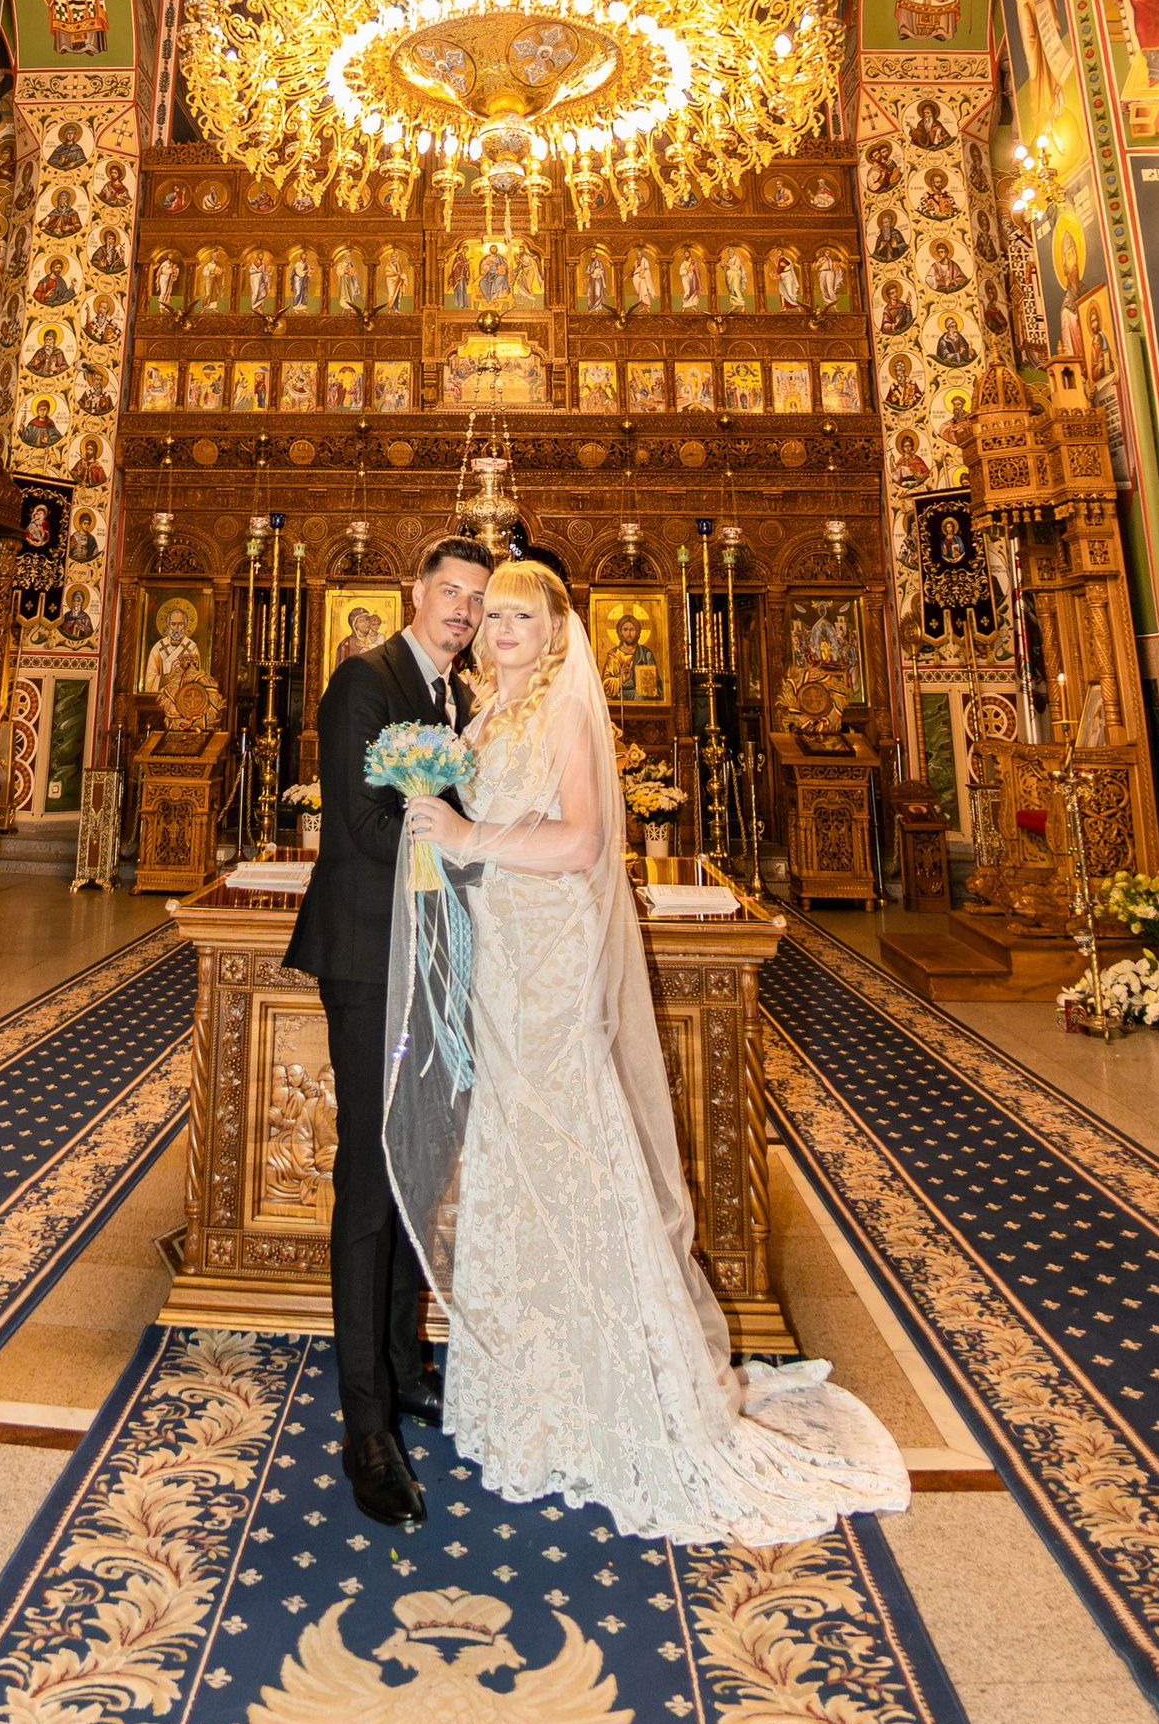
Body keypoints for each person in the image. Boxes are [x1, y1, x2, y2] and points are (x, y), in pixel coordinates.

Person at [391, 561, 908, 1543]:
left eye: (518, 616)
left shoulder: (564, 718)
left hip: (548, 959)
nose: (498, 628)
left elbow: (583, 844)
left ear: (555, 629)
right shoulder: (485, 715)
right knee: (513, 1158)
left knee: (570, 1152)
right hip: (500, 958)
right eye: (490, 614)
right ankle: (528, 1380)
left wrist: (468, 834)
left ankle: (610, 1379)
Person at [289, 534, 490, 1530]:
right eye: (448, 591)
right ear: (415, 593)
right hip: (370, 961)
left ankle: (406, 1367)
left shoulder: (460, 697)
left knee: (419, 1167)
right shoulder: (362, 683)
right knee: (369, 1187)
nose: (460, 610)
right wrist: (474, 852)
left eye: (475, 599)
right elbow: (360, 831)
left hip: (438, 964)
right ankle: (362, 1425)